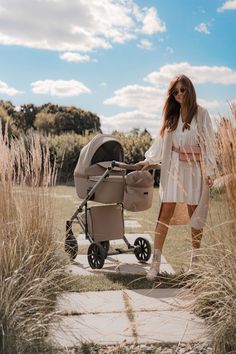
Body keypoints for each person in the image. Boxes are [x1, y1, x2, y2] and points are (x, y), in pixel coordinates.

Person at [136, 74, 217, 280]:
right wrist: (149, 159)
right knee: (164, 214)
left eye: (183, 90)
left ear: (190, 90)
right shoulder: (172, 116)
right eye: (175, 91)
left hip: (194, 171)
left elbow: (209, 143)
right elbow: (161, 141)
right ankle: (155, 264)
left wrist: (209, 171)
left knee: (195, 216)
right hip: (173, 171)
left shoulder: (202, 114)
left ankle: (194, 264)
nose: (180, 94)